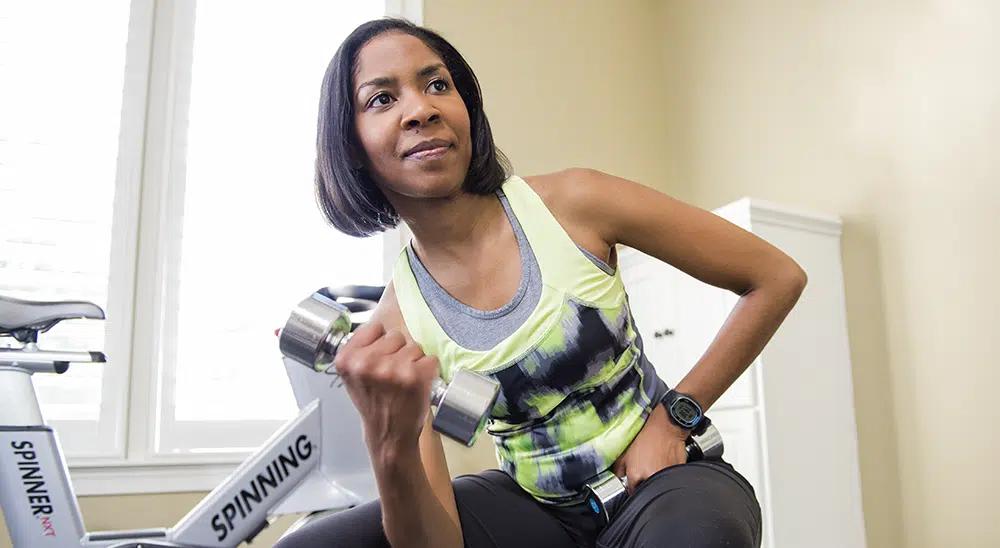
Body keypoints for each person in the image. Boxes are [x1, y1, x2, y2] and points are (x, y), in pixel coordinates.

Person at [277, 17, 806, 548]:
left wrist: (673, 420)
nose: (421, 109)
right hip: (537, 508)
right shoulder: (398, 323)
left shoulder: (576, 203)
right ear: (351, 145)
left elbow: (776, 277)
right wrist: (388, 445)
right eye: (381, 99)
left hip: (665, 480)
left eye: (437, 84)